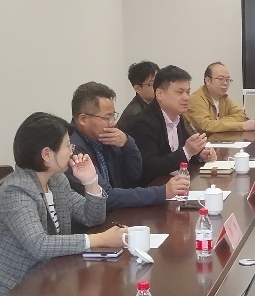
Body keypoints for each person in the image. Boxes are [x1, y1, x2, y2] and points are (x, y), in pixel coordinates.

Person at [0, 112, 126, 296]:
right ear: (47, 154)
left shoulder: (56, 180)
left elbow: (92, 218)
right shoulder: (17, 191)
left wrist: (90, 181)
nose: (72, 151)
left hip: (42, 280)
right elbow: (39, 245)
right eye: (68, 146)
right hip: (0, 294)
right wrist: (100, 239)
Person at [66, 82, 189, 210]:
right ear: (83, 119)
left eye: (113, 116)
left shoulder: (106, 137)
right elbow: (106, 196)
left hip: (119, 212)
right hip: (99, 218)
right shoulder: (72, 150)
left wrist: (127, 143)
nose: (113, 123)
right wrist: (162, 192)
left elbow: (133, 177)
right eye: (107, 118)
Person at [126, 64, 216, 184]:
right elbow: (149, 168)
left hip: (175, 184)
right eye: (180, 92)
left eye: (188, 92)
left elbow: (182, 150)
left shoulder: (177, 116)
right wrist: (187, 151)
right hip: (153, 189)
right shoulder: (143, 123)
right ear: (159, 94)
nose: (186, 97)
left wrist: (199, 155)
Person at [187, 62, 255, 134]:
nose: (225, 83)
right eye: (221, 79)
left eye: (227, 80)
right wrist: (241, 126)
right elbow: (207, 126)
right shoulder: (196, 99)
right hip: (205, 140)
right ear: (208, 80)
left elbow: (241, 115)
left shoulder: (222, 98)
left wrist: (217, 123)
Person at [116, 60, 158, 133]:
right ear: (137, 88)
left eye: (158, 81)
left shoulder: (157, 104)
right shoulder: (134, 114)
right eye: (152, 84)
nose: (158, 86)